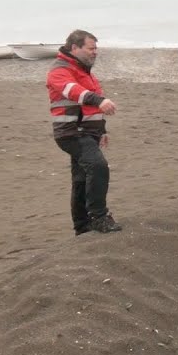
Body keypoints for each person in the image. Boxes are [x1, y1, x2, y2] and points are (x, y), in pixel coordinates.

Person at [46, 29, 121, 234]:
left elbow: (92, 101)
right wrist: (100, 100)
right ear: (74, 48)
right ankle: (99, 216)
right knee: (98, 167)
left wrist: (102, 129)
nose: (95, 52)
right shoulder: (59, 70)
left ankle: (81, 225)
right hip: (71, 132)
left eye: (96, 48)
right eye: (91, 48)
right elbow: (74, 91)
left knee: (81, 177)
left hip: (89, 132)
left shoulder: (86, 72)